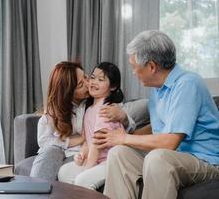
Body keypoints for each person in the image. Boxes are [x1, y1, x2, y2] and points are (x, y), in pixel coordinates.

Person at [93, 30, 219, 199]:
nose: (133, 72)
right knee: (119, 153)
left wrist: (124, 138)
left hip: (204, 160)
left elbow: (169, 142)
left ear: (151, 67)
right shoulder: (157, 91)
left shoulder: (188, 84)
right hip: (177, 156)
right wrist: (122, 136)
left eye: (134, 67)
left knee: (158, 158)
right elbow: (158, 128)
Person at [30, 61, 135, 181]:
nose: (88, 83)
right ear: (68, 93)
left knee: (68, 170)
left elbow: (128, 126)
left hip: (87, 152)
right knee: (50, 153)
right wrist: (76, 140)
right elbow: (44, 140)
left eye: (86, 77)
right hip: (66, 148)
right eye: (80, 85)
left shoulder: (99, 98)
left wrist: (123, 117)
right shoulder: (55, 110)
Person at [58, 62, 130, 190]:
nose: (93, 82)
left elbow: (97, 143)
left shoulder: (106, 109)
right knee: (64, 172)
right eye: (92, 77)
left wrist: (87, 168)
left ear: (112, 87)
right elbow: (88, 141)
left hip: (110, 161)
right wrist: (82, 155)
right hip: (97, 159)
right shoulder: (89, 109)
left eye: (101, 79)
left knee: (82, 180)